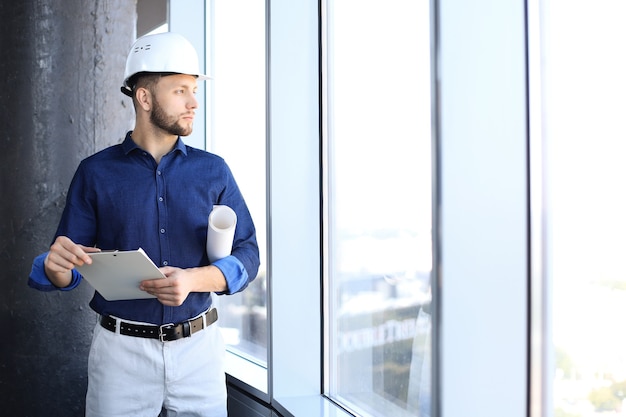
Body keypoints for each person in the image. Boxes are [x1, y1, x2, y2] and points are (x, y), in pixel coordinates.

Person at [28, 32, 260, 417]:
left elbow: (248, 254)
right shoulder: (95, 173)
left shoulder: (214, 171)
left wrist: (192, 280)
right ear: (145, 97)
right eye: (181, 91)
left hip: (200, 352)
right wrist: (54, 267)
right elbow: (67, 263)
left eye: (195, 90)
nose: (194, 102)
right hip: (121, 357)